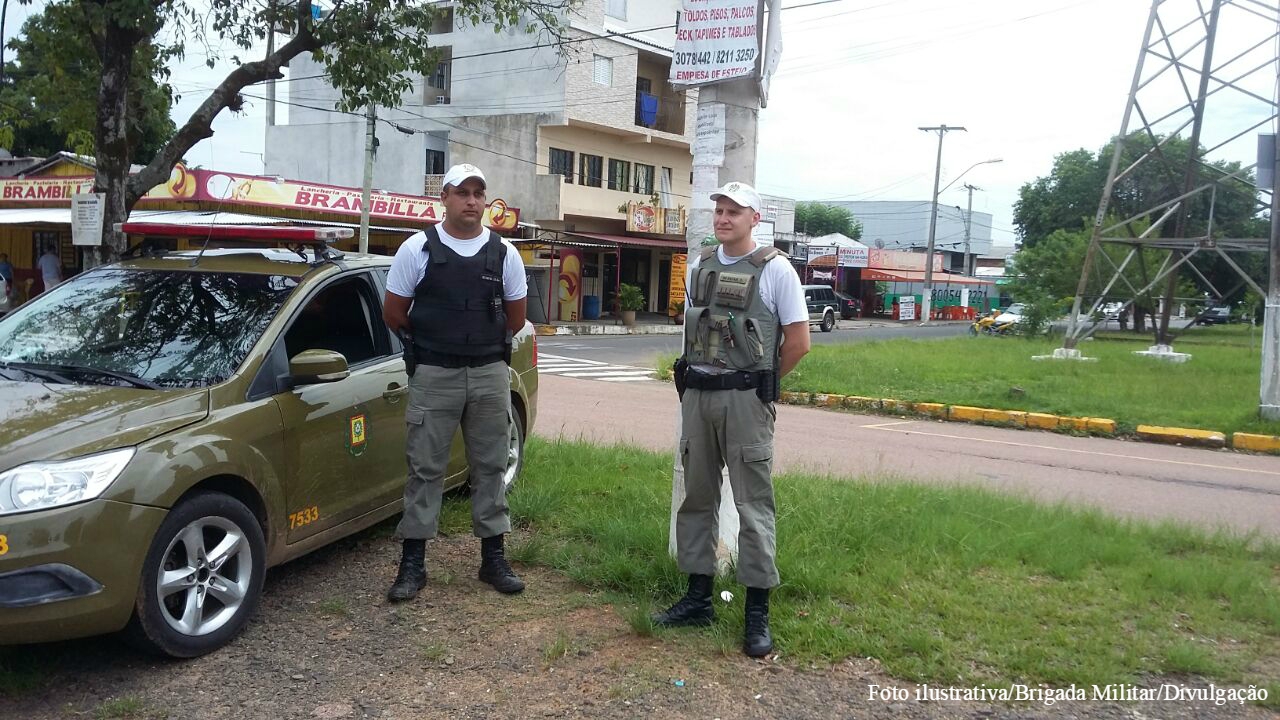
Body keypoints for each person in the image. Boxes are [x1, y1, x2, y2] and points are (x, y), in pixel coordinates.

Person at [656, 181, 810, 657]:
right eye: (719, 210)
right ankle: (698, 599)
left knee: (752, 504)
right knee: (698, 498)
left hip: (745, 401)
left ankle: (756, 614)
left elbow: (799, 341)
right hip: (698, 396)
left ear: (754, 219)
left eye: (734, 211)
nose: (723, 218)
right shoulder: (700, 266)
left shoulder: (776, 270)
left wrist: (760, 384)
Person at [381, 163, 528, 602]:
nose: (471, 201)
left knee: (491, 466)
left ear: (486, 200)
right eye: (461, 192)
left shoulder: (505, 253)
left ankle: (493, 558)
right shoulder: (416, 249)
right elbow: (394, 312)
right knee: (425, 468)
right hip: (434, 373)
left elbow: (516, 318)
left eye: (478, 193)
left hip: (488, 373)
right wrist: (436, 341)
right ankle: (413, 564)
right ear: (443, 197)